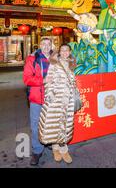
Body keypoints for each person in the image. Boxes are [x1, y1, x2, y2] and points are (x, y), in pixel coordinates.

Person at [38, 44, 76, 164]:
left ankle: (64, 150)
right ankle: (56, 149)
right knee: (54, 124)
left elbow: (73, 82)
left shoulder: (71, 64)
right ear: (59, 52)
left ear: (70, 52)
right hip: (56, 99)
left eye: (67, 50)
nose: (65, 52)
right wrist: (50, 96)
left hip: (68, 100)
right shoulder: (54, 64)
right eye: (62, 50)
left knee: (65, 124)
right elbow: (49, 80)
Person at [23, 38, 53, 166]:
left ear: (52, 45)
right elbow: (27, 79)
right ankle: (37, 150)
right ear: (40, 45)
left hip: (53, 98)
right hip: (37, 97)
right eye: (43, 44)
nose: (46, 46)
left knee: (51, 122)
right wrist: (43, 81)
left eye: (48, 44)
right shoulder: (32, 59)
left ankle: (50, 142)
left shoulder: (56, 58)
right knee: (36, 125)